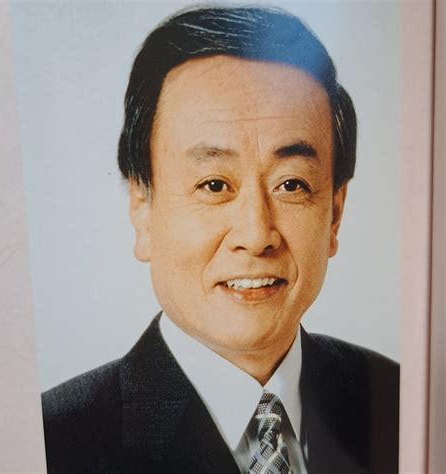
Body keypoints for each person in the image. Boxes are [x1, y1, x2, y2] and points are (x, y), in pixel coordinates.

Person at [41, 5, 399, 473]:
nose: (256, 235)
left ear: (334, 214)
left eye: (291, 184)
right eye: (214, 185)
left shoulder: (402, 402)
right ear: (142, 209)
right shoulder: (49, 444)